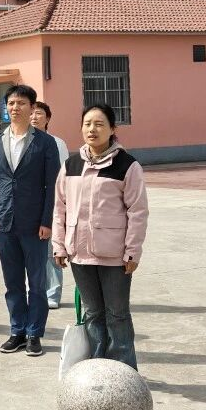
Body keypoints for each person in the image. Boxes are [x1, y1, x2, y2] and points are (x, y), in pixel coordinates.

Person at [52, 104, 148, 370]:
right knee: (93, 313)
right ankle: (97, 368)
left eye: (99, 124)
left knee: (117, 314)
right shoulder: (71, 165)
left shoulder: (127, 165)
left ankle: (123, 370)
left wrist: (133, 251)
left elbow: (138, 211)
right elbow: (60, 207)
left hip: (114, 255)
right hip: (79, 254)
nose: (92, 129)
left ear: (112, 129)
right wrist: (59, 245)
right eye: (87, 124)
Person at [0, 86, 61, 357]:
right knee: (12, 282)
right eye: (11, 103)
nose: (15, 107)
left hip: (35, 224)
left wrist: (47, 221)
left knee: (37, 283)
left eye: (21, 103)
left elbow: (52, 186)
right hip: (4, 221)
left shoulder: (45, 142)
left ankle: (34, 333)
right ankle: (17, 331)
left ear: (32, 107)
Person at [30, 101, 69, 310]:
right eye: (31, 113)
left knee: (50, 250)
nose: (34, 117)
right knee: (30, 252)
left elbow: (63, 176)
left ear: (48, 118)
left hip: (52, 203)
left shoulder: (57, 143)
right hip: (29, 205)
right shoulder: (21, 141)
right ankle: (34, 291)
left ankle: (52, 293)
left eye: (38, 113)